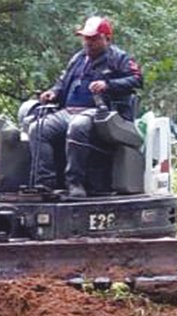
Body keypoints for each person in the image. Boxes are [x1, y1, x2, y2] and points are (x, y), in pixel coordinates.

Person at [28, 16, 143, 197]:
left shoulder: (119, 58)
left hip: (100, 113)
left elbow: (136, 80)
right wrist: (53, 92)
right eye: (86, 38)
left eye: (94, 38)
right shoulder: (78, 58)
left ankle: (75, 182)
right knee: (38, 129)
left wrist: (108, 84)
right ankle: (46, 183)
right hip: (69, 111)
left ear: (107, 39)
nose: (88, 43)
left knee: (78, 126)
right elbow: (62, 81)